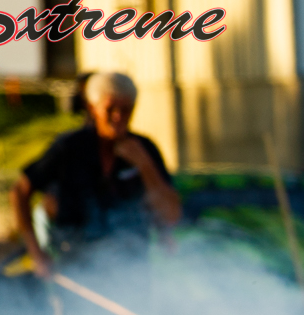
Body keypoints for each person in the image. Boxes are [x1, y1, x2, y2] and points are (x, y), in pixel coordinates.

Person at [11, 72, 180, 281]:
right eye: (110, 109)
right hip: (75, 268)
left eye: (125, 110)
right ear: (93, 108)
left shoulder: (145, 149)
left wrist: (145, 166)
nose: (118, 116)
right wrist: (36, 253)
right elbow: (20, 192)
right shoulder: (69, 148)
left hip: (132, 269)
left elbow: (171, 215)